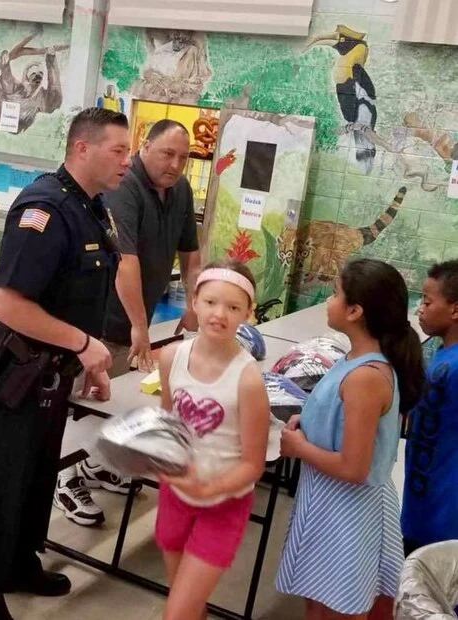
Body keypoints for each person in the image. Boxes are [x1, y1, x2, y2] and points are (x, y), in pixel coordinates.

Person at [0, 107, 132, 620]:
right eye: (118, 151)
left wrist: (90, 361)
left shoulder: (93, 207)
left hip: (50, 374)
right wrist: (83, 344)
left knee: (33, 481)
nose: (128, 161)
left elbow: (76, 296)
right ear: (82, 148)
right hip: (13, 373)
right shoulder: (45, 209)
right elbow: (6, 304)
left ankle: (17, 565)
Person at [54, 119, 201, 527]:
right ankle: (62, 478)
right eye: (167, 154)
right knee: (86, 400)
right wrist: (140, 326)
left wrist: (194, 302)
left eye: (183, 158)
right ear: (145, 148)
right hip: (103, 317)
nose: (175, 165)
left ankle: (95, 465)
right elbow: (125, 262)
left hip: (136, 316)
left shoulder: (179, 190)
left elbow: (190, 252)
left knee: (114, 399)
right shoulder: (126, 189)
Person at [276, 258, 425, 620]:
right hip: (328, 505)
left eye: (335, 293)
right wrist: (308, 420)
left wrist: (299, 448)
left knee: (336, 607)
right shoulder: (354, 359)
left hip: (347, 515)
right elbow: (340, 417)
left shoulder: (367, 377)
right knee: (317, 601)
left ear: (355, 310)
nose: (328, 300)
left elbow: (354, 468)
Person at [156, 259, 270, 620]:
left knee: (177, 613)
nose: (219, 314)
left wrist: (208, 489)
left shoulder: (248, 380)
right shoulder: (172, 356)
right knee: (188, 604)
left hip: (222, 505)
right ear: (194, 302)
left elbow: (253, 464)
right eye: (210, 302)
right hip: (175, 494)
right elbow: (167, 424)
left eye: (233, 307)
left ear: (248, 314)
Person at [402, 259, 458, 557]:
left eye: (427, 301)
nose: (420, 309)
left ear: (455, 309)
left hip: (446, 521)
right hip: (422, 506)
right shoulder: (443, 355)